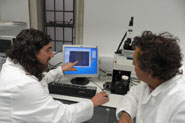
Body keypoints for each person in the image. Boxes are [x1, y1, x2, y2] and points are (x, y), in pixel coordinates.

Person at [0, 29, 109, 123]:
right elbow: (63, 117)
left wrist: (61, 70)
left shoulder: (14, 64)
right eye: (48, 50)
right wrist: (92, 102)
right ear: (32, 53)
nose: (52, 54)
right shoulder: (23, 84)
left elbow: (39, 80)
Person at [116, 31, 185, 123]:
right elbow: (134, 95)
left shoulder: (181, 104)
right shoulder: (152, 81)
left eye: (135, 62)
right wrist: (125, 114)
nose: (132, 63)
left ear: (149, 71)